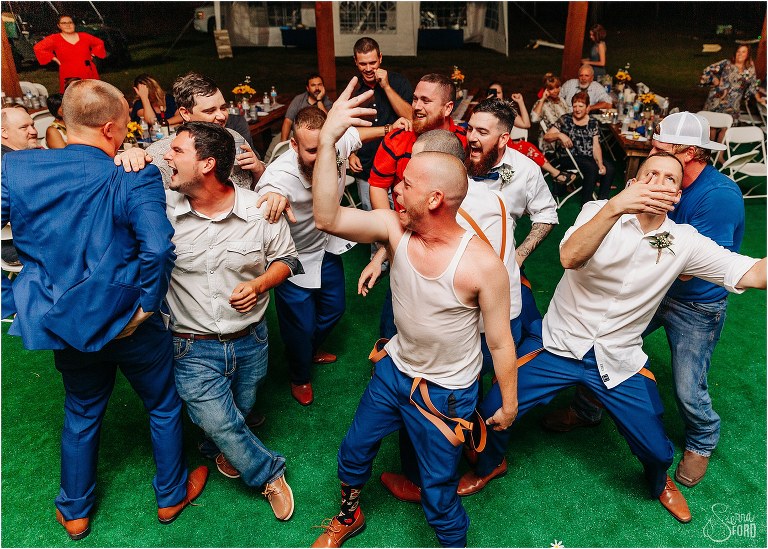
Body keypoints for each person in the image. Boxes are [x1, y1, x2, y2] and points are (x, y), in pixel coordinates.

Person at [459, 152, 766, 524]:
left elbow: (751, 273)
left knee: (655, 448)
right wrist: (616, 207)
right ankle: (491, 464)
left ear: (678, 195)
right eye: (650, 173)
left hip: (617, 359)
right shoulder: (597, 210)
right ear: (633, 183)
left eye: (671, 178)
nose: (660, 181)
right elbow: (570, 256)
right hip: (558, 344)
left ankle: (658, 483)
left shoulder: (685, 241)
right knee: (493, 409)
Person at [310, 78, 517, 548]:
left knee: (439, 494)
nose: (393, 189)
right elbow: (327, 217)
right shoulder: (394, 229)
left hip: (445, 395)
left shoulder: (481, 265)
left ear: (435, 199)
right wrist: (327, 140)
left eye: (405, 184)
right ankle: (349, 515)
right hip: (395, 371)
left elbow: (501, 342)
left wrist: (508, 401)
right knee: (353, 453)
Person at [0, 79, 207, 541]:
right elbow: (156, 247)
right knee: (162, 405)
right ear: (112, 127)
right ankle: (171, 496)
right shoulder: (133, 173)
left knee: (82, 409)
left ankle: (75, 511)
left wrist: (22, 287)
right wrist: (146, 309)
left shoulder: (16, 169)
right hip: (130, 319)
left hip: (64, 320)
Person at [541, 111, 745, 488]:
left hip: (695, 301)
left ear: (687, 155)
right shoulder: (651, 187)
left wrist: (650, 237)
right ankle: (587, 410)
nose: (652, 154)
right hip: (653, 286)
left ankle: (702, 439)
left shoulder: (719, 198)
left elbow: (689, 267)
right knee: (605, 341)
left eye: (660, 149)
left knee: (688, 384)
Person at [366, 128, 523, 505]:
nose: (402, 182)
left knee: (445, 396)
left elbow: (483, 273)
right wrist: (380, 255)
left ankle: (429, 477)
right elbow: (406, 233)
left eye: (413, 168)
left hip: (472, 319)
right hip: (465, 316)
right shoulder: (466, 200)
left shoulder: (470, 215)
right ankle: (461, 450)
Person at [162, 121, 299, 520]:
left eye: (177, 151)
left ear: (206, 164)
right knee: (224, 423)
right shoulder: (163, 215)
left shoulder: (260, 208)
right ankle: (269, 474)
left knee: (235, 415)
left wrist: (260, 284)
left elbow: (287, 260)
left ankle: (217, 446)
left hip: (251, 340)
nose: (167, 156)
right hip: (191, 347)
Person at [256, 106, 405, 405]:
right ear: (294, 145)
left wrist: (388, 129)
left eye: (325, 145)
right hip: (292, 257)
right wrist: (271, 195)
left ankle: (309, 348)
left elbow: (355, 135)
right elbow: (266, 193)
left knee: (335, 309)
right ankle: (299, 374)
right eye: (312, 150)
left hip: (326, 246)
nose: (321, 154)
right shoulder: (279, 175)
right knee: (299, 327)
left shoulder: (335, 143)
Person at [367, 73, 467, 339]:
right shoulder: (398, 138)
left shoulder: (464, 142)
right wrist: (388, 234)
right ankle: (386, 360)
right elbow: (377, 184)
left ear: (447, 108)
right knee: (396, 309)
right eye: (415, 99)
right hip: (408, 239)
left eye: (426, 100)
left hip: (451, 245)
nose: (417, 106)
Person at [466, 98, 559, 331]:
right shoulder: (456, 158)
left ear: (503, 139)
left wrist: (519, 256)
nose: (471, 137)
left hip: (499, 264)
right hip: (453, 262)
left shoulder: (526, 170)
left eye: (482, 132)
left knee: (506, 331)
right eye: (470, 128)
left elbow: (547, 214)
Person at [118, 72, 265, 190]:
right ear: (185, 113)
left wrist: (258, 169)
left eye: (223, 108)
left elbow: (260, 186)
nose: (221, 116)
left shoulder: (234, 137)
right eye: (210, 111)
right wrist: (131, 157)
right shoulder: (162, 155)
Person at [348, 37, 413, 212]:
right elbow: (348, 127)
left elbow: (411, 118)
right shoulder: (353, 90)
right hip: (367, 169)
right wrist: (351, 153)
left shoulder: (398, 82)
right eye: (363, 64)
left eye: (372, 62)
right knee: (374, 224)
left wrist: (386, 87)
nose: (368, 69)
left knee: (403, 220)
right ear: (355, 62)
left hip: (399, 168)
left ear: (381, 58)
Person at [486, 81, 577, 188]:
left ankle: (554, 173)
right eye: (493, 92)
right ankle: (507, 188)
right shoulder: (484, 110)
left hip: (507, 145)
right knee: (505, 159)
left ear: (502, 95)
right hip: (492, 146)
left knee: (527, 147)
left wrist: (520, 102)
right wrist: (487, 105)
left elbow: (526, 124)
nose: (496, 95)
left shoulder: (506, 111)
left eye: (499, 92)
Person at [545, 91, 615, 203]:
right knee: (591, 167)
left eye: (581, 106)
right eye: (575, 106)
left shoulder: (593, 122)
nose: (577, 109)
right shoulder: (565, 119)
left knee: (609, 168)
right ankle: (586, 203)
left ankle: (602, 202)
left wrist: (600, 163)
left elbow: (596, 146)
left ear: (587, 107)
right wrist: (560, 135)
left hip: (588, 156)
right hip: (569, 157)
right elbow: (547, 136)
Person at [1, 104, 39, 268]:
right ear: (4, 132)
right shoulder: (6, 165)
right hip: (17, 245)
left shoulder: (25, 157)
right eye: (24, 127)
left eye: (33, 125)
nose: (33, 131)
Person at [33, 14, 106, 93]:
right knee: (74, 96)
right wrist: (54, 58)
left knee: (93, 95)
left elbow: (99, 43)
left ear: (74, 24)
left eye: (70, 22)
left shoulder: (84, 36)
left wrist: (93, 54)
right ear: (59, 26)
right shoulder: (54, 38)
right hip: (69, 72)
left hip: (87, 71)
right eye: (64, 23)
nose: (68, 25)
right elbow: (38, 47)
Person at [700, 45, 764, 134]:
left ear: (748, 55)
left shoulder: (749, 69)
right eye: (738, 52)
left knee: (726, 127)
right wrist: (714, 79)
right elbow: (707, 70)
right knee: (712, 126)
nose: (740, 54)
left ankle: (721, 148)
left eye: (743, 52)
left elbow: (753, 84)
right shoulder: (726, 63)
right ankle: (709, 147)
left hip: (733, 103)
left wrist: (758, 98)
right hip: (717, 99)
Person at [280, 73, 334, 141]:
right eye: (313, 85)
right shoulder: (298, 99)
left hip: (318, 136)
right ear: (308, 88)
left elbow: (329, 123)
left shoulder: (327, 102)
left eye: (319, 85)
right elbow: (288, 121)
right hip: (296, 134)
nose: (317, 88)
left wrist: (319, 100)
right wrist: (283, 142)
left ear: (323, 87)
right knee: (274, 147)